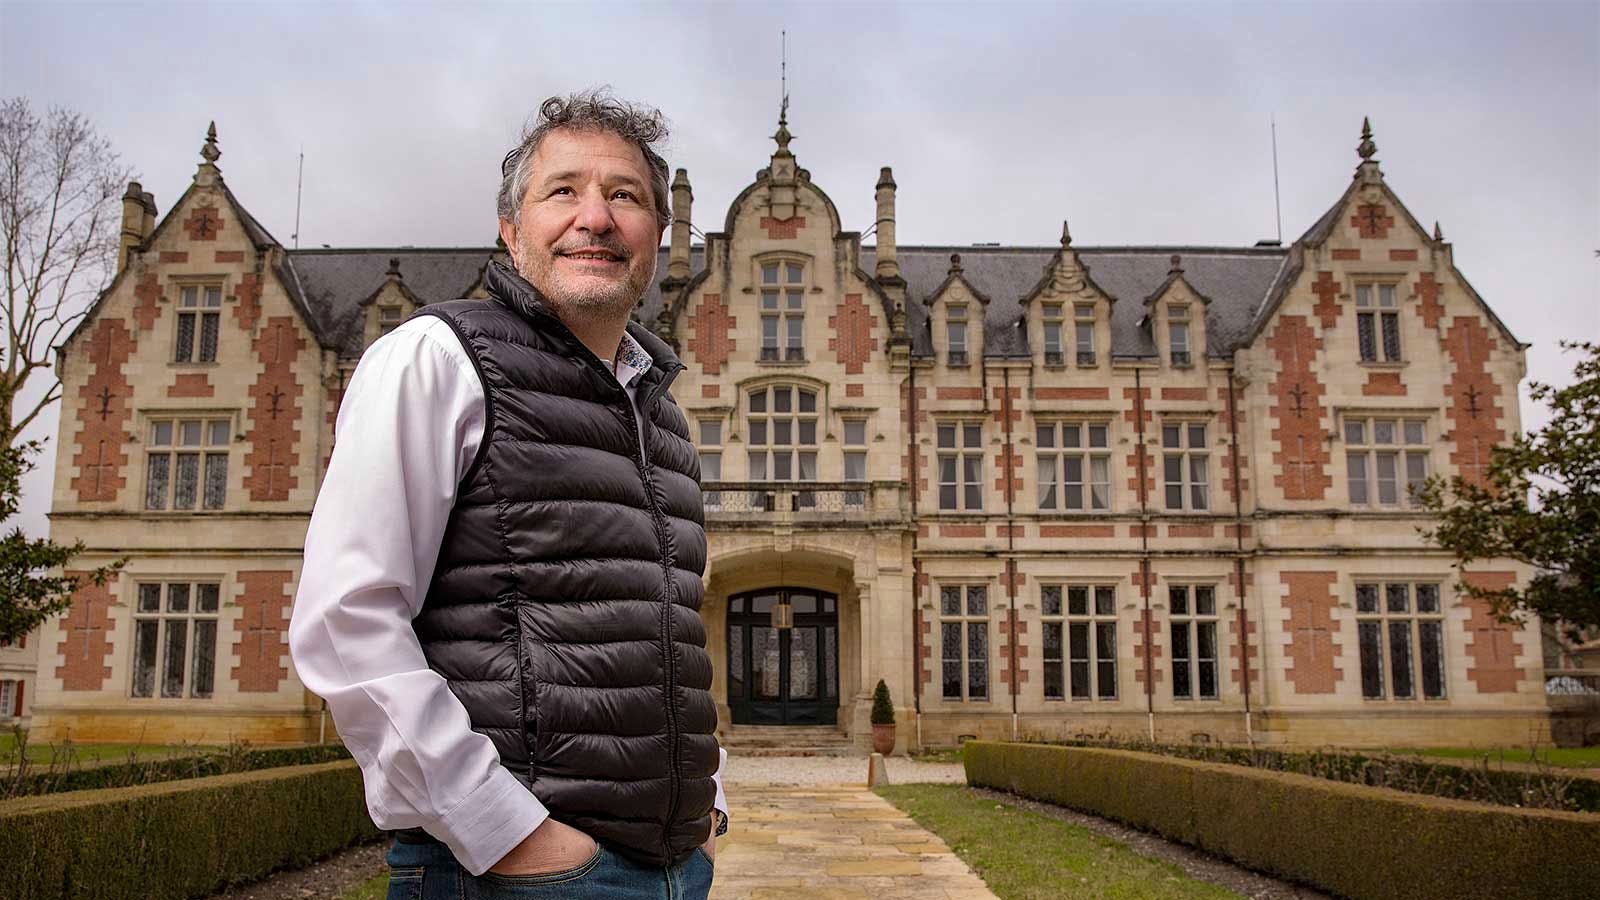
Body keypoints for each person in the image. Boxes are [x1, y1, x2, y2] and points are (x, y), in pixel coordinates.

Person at [288, 89, 726, 899]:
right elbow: (347, 620)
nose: (594, 217)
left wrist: (708, 798)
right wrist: (506, 832)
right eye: (563, 190)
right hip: (515, 875)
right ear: (510, 228)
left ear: (659, 238)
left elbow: (665, 629)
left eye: (624, 196)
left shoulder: (659, 414)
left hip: (672, 869)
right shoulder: (435, 355)